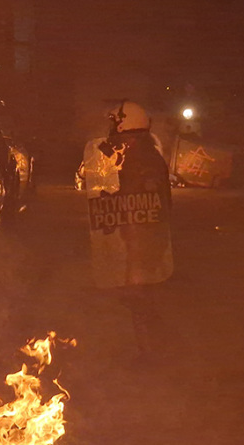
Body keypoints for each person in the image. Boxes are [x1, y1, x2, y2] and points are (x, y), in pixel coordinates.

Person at [83, 100, 173, 353]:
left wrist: (136, 254)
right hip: (143, 240)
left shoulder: (140, 159)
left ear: (125, 124)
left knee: (140, 299)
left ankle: (151, 354)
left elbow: (141, 204)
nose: (111, 128)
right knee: (141, 299)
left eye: (115, 123)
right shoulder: (142, 153)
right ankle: (155, 347)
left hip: (142, 242)